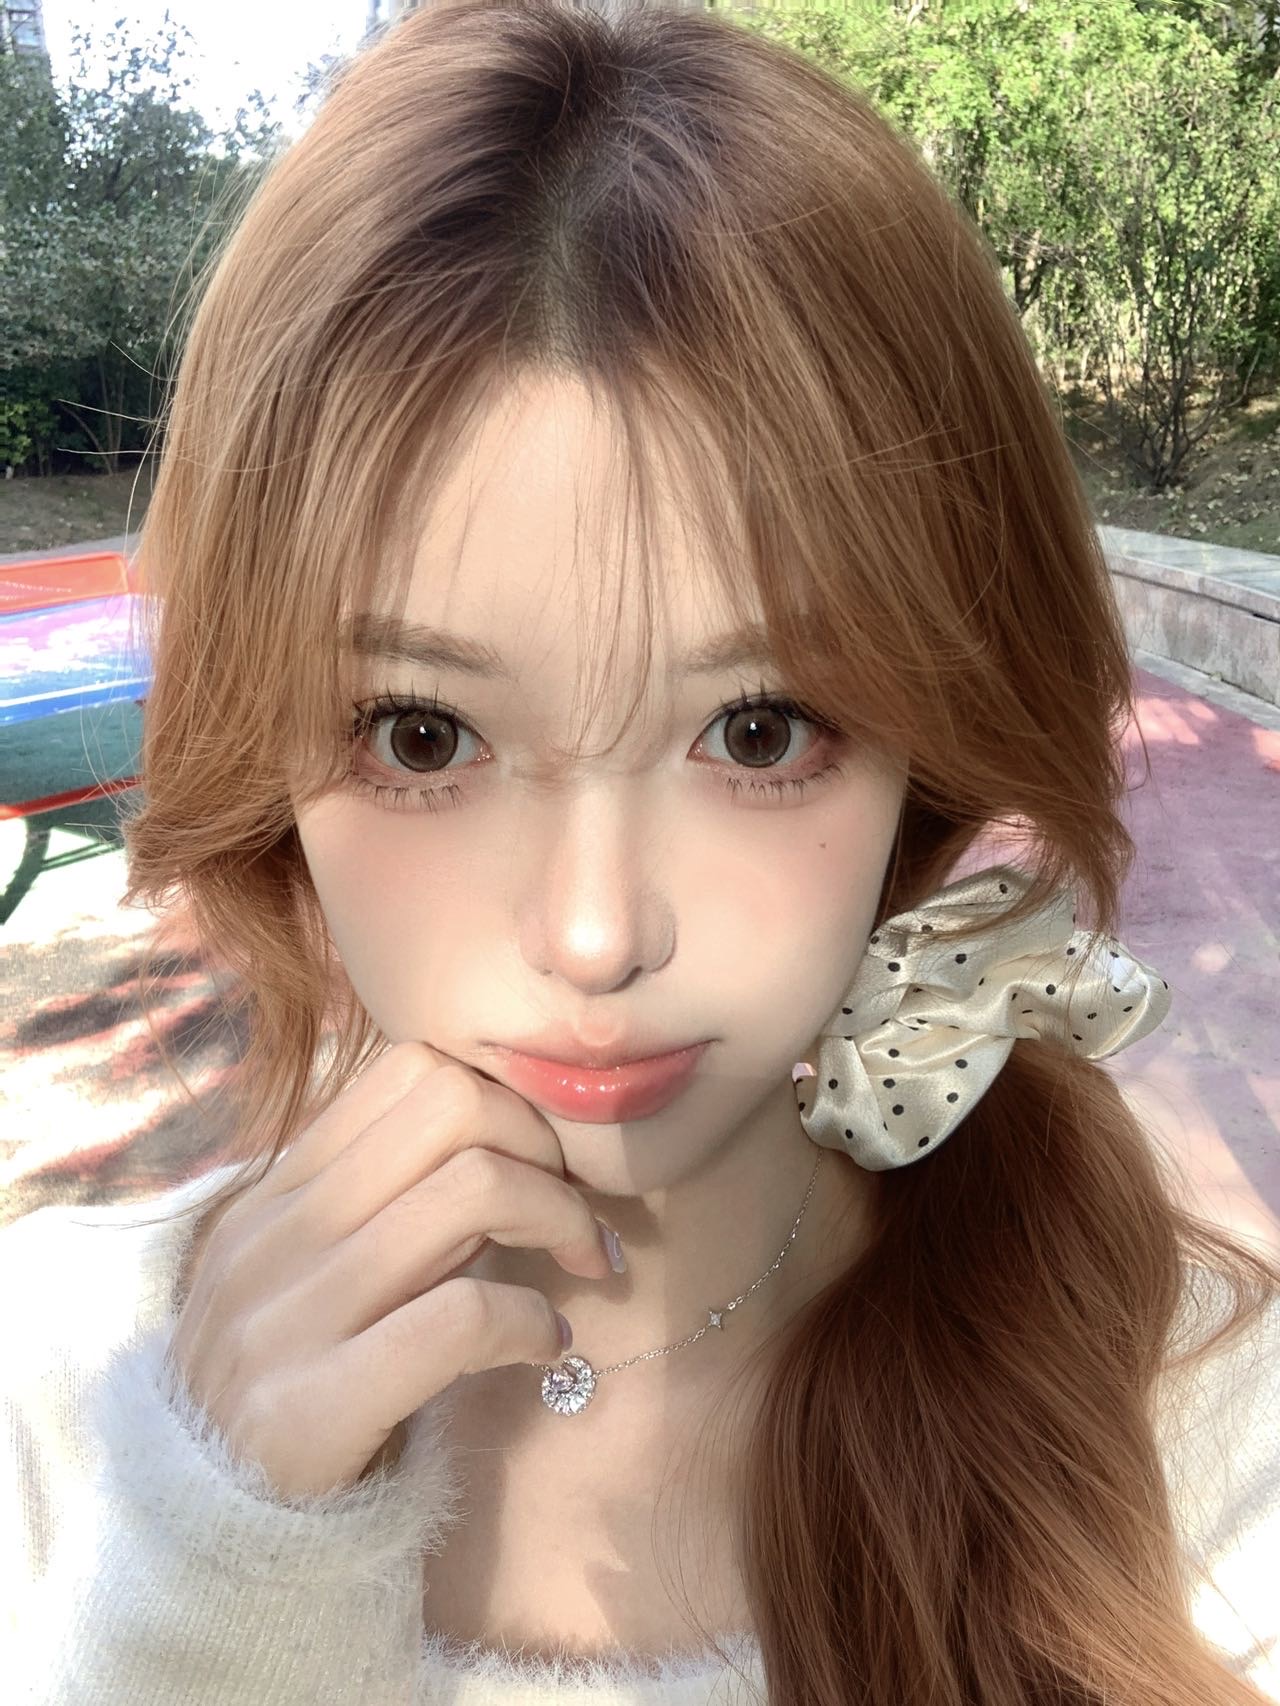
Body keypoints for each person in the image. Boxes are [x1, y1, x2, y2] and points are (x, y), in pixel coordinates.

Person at [3, 2, 1278, 1703]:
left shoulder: (1200, 1412)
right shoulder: (61, 1387)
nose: (597, 933)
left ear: (932, 741)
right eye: (423, 734)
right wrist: (211, 1573)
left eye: (756, 729)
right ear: (269, 751)